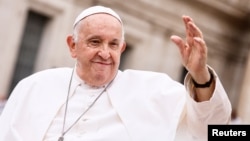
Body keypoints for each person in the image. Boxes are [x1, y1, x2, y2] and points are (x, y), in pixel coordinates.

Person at [0, 5, 232, 141]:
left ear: (121, 48)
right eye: (94, 42)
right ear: (73, 45)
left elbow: (215, 130)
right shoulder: (35, 87)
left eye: (113, 44)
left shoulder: (154, 90)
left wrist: (200, 74)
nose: (105, 53)